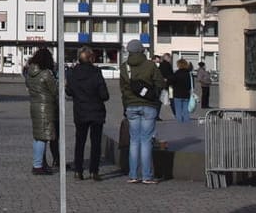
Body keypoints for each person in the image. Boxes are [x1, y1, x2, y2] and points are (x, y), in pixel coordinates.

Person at [119, 45, 162, 183]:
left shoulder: (124, 67)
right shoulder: (150, 65)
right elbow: (160, 83)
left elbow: (123, 89)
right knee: (146, 140)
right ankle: (146, 176)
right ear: (142, 51)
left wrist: (126, 105)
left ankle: (133, 175)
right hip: (148, 106)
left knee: (134, 141)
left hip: (131, 106)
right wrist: (154, 94)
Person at [65, 48, 110, 180]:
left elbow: (69, 92)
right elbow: (104, 95)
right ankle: (93, 171)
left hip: (80, 111)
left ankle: (78, 170)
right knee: (95, 143)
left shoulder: (72, 73)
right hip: (96, 111)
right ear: (91, 58)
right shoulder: (96, 72)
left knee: (80, 141)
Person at [25, 48, 59, 175]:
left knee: (37, 136)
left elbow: (28, 86)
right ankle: (38, 165)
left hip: (34, 106)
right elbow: (55, 90)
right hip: (45, 107)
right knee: (43, 137)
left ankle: (40, 163)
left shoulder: (30, 72)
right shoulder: (46, 74)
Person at [169, 58, 197, 125]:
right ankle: (186, 124)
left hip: (177, 94)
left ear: (178, 65)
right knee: (186, 110)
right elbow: (191, 85)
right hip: (186, 94)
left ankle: (179, 125)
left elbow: (170, 82)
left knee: (178, 110)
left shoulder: (176, 73)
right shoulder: (189, 74)